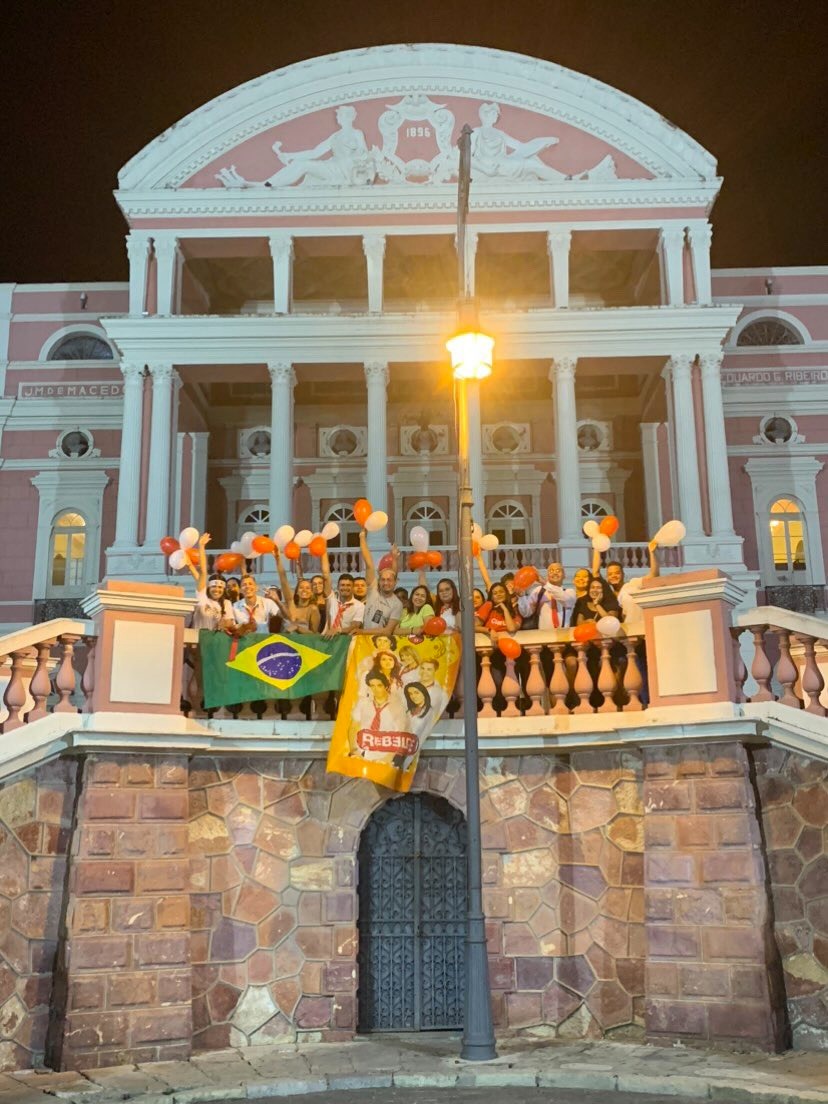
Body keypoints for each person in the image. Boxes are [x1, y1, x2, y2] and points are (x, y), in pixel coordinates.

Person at [349, 671, 409, 763]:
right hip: (362, 753)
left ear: (386, 686)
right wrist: (354, 751)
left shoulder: (397, 707)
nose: (375, 689)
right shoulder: (363, 703)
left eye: (379, 685)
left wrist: (388, 758)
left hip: (386, 755)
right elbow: (353, 727)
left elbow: (400, 735)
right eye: (372, 686)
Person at [603, 542, 659, 630]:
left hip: (639, 629)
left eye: (617, 573)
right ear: (607, 578)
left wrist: (652, 553)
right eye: (610, 574)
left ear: (623, 574)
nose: (614, 576)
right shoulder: (608, 596)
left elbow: (653, 575)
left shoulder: (632, 584)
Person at [357, 529, 403, 635]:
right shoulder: (373, 591)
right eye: (383, 579)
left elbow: (388, 631)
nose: (386, 583)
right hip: (363, 641)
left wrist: (362, 631)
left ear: (395, 582)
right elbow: (369, 563)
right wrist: (362, 537)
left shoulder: (397, 604)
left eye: (389, 580)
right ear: (379, 580)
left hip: (381, 644)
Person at [191, 533, 235, 632]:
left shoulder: (226, 603)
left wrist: (225, 623)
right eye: (214, 586)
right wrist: (201, 547)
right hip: (199, 641)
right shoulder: (202, 598)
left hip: (216, 643)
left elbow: (231, 624)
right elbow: (203, 571)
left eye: (220, 587)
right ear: (208, 588)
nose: (217, 590)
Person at [272, 546, 320, 634]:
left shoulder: (312, 609)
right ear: (297, 591)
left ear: (312, 593)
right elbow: (284, 581)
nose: (304, 590)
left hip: (302, 646)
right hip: (285, 644)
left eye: (308, 588)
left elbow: (314, 635)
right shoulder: (291, 605)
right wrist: (278, 559)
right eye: (301, 587)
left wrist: (297, 628)